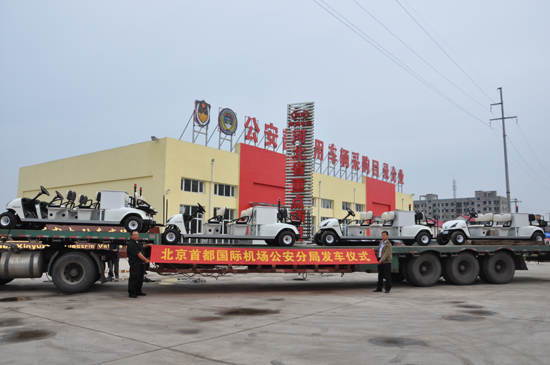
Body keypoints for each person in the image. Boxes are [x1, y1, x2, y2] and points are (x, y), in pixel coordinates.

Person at [126, 230, 152, 298]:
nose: (136, 236)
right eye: (134, 235)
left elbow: (142, 246)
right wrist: (146, 260)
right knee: (134, 277)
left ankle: (138, 291)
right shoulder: (131, 244)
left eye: (137, 234)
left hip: (140, 263)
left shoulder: (137, 242)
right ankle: (132, 292)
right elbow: (138, 254)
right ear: (131, 236)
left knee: (140, 278)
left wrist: (148, 245)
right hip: (135, 263)